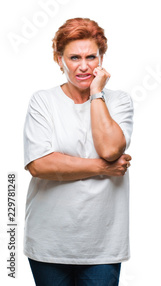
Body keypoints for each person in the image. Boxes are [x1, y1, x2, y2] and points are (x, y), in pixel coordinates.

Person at [23, 18, 133, 286]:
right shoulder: (43, 101)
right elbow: (39, 164)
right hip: (49, 241)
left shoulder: (119, 101)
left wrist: (97, 94)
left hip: (103, 243)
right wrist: (103, 169)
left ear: (101, 58)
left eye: (91, 57)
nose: (83, 66)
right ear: (58, 59)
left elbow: (109, 149)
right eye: (74, 57)